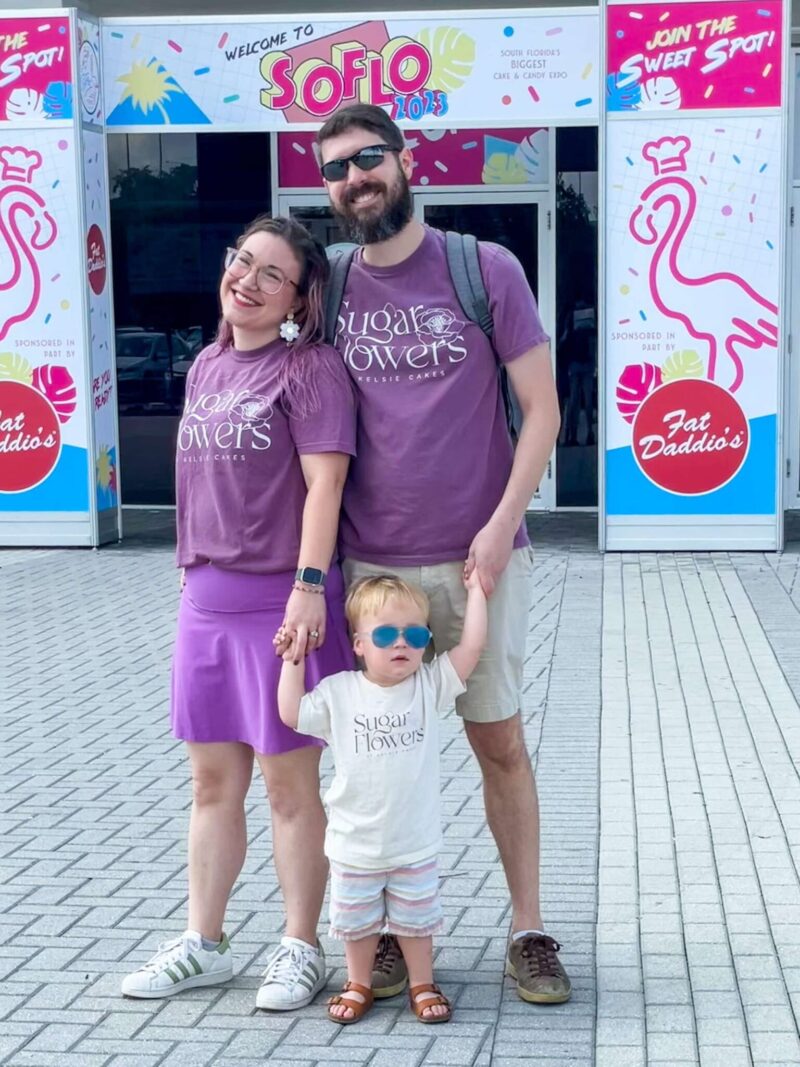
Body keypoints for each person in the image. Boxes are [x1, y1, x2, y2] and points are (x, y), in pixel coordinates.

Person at [315, 104, 571, 1005]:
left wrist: (504, 524)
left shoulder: (482, 267)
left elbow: (542, 409)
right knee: (378, 754)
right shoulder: (330, 281)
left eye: (368, 158)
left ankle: (529, 929)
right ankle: (385, 935)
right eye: (337, 169)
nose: (355, 178)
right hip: (372, 572)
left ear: (405, 159)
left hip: (476, 562)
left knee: (497, 741)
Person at [120, 215, 357, 1011]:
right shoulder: (207, 366)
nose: (246, 281)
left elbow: (325, 485)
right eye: (240, 261)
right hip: (207, 601)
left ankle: (300, 944)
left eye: (270, 274)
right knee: (211, 783)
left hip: (280, 601)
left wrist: (307, 585)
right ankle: (206, 942)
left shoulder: (311, 369)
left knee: (291, 786)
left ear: (298, 296)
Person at [277, 572, 487, 1025]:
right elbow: (291, 713)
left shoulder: (428, 687)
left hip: (414, 842)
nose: (402, 644)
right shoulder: (339, 692)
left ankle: (422, 982)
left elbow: (470, 651)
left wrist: (476, 593)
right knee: (356, 924)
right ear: (358, 644)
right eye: (387, 634)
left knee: (417, 922)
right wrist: (293, 657)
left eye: (414, 634)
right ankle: (358, 982)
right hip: (354, 844)